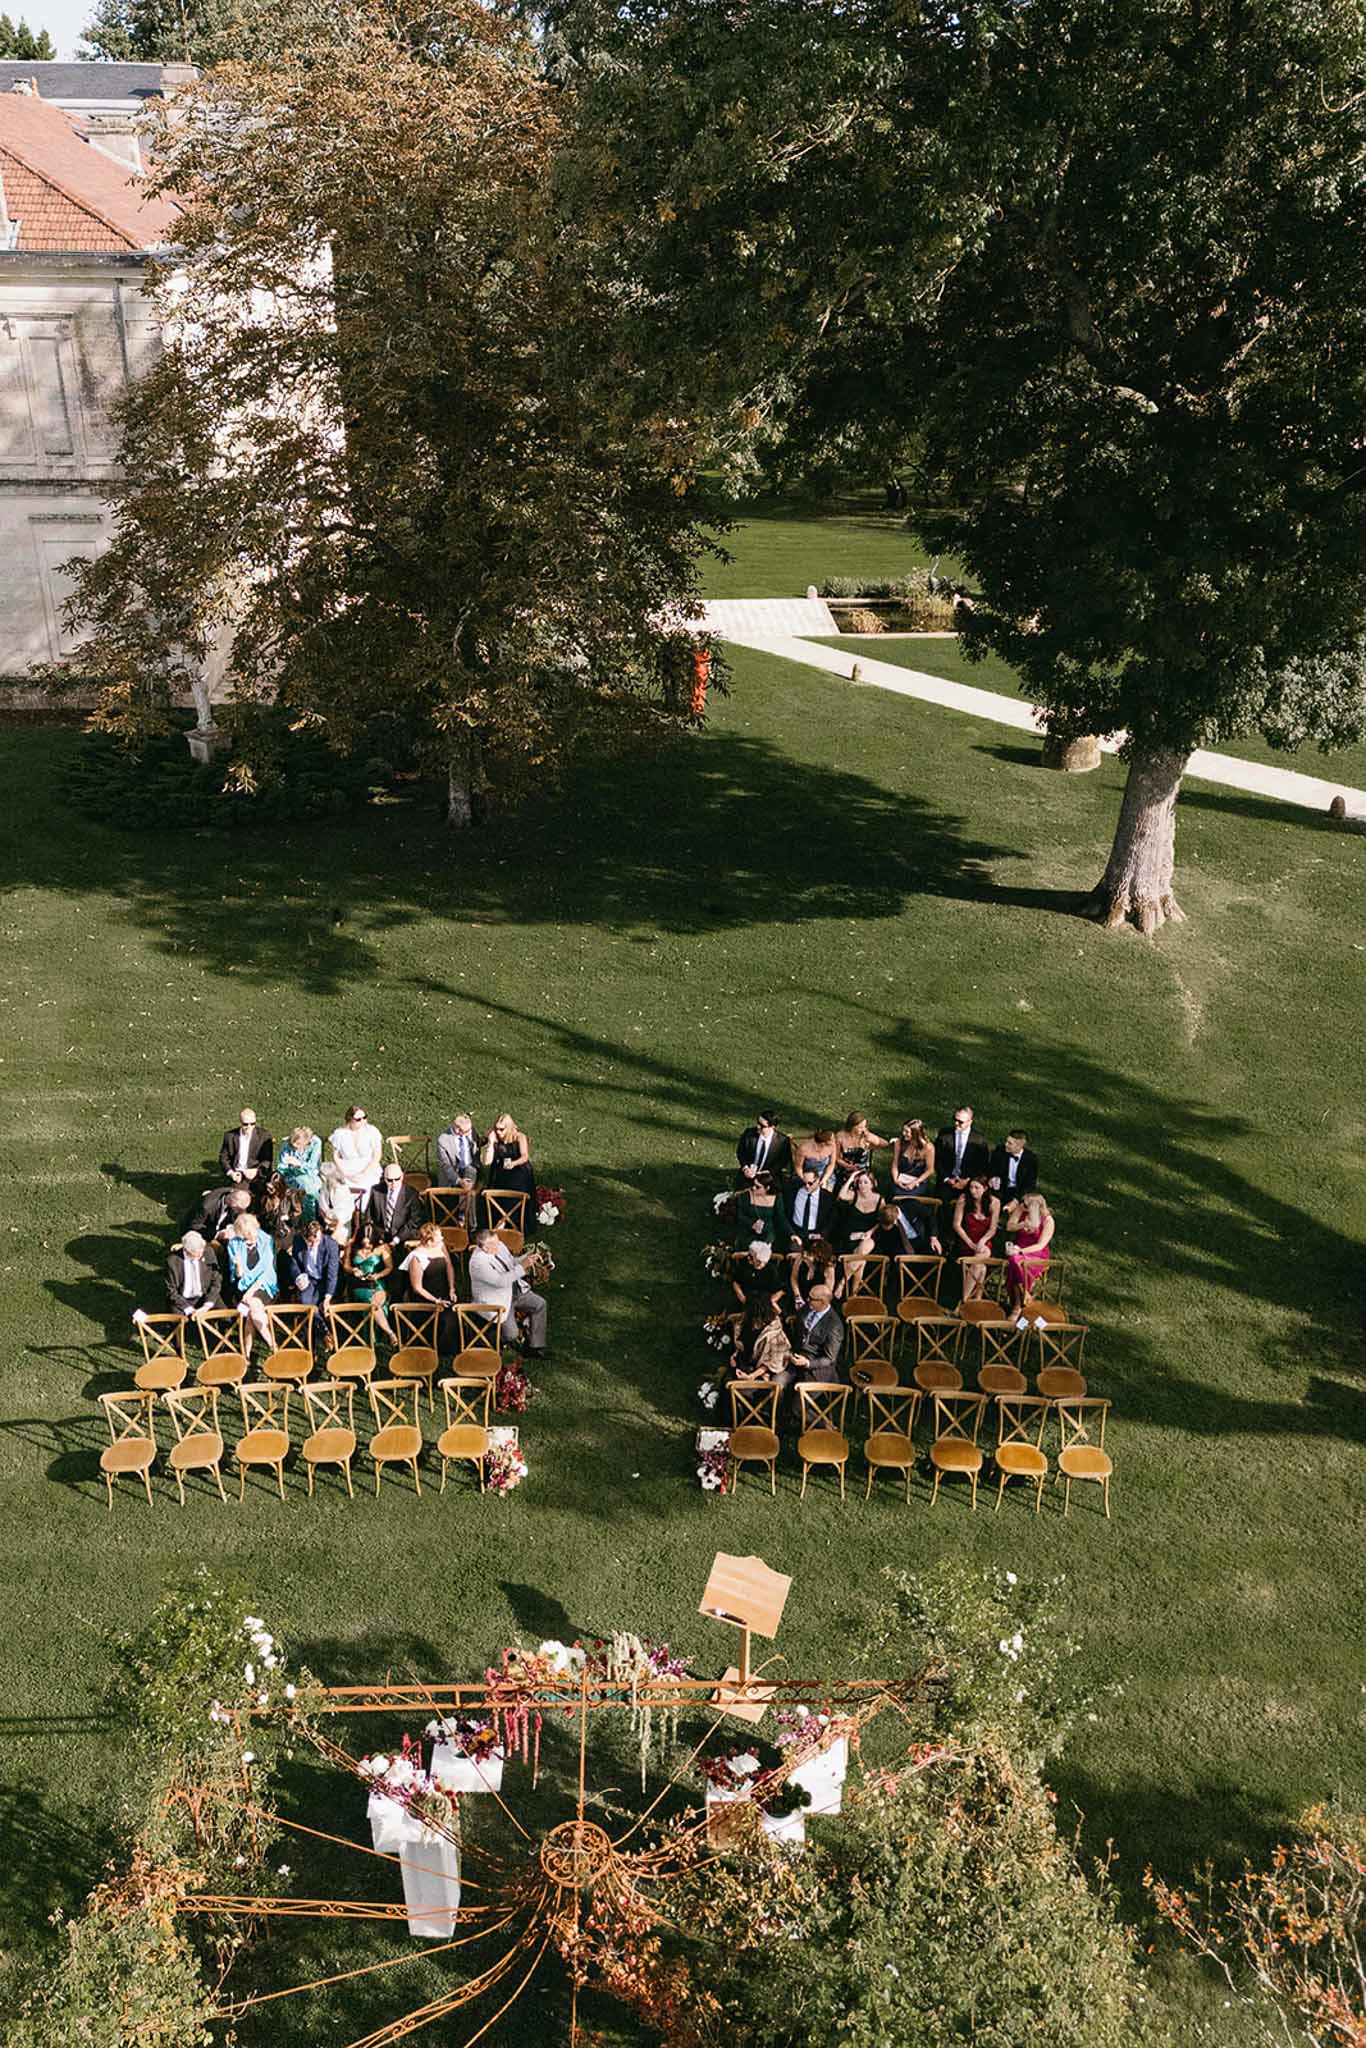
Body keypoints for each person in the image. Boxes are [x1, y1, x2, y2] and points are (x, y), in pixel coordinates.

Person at [468, 1226, 549, 1357]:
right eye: (493, 1244)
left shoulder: (499, 1245)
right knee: (512, 1335)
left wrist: (527, 1258)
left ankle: (536, 1347)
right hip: (498, 1299)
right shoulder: (478, 1262)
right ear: (483, 1247)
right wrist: (523, 1267)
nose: (498, 1245)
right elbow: (500, 1281)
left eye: (497, 1241)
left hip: (514, 1290)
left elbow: (511, 1262)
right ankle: (486, 1340)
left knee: (540, 1304)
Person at [224, 1212, 277, 1346]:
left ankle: (273, 1346)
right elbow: (238, 1276)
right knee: (251, 1316)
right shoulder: (233, 1244)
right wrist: (237, 1266)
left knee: (252, 1305)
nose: (249, 1238)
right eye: (245, 1236)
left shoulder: (266, 1240)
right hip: (243, 1285)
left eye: (251, 1233)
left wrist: (250, 1292)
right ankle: (249, 1353)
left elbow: (266, 1270)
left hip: (263, 1284)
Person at [286, 1216, 341, 1336]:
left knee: (319, 1305)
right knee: (306, 1302)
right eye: (309, 1242)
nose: (311, 1245)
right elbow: (294, 1262)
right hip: (309, 1279)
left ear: (319, 1234)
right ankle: (325, 1332)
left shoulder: (331, 1245)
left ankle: (321, 1332)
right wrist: (298, 1276)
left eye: (314, 1241)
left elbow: (332, 1273)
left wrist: (328, 1297)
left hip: (324, 1281)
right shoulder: (298, 1240)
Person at [345, 1220, 398, 1342]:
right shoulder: (351, 1246)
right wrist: (353, 1270)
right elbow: (346, 1266)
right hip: (359, 1284)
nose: (366, 1245)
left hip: (377, 1282)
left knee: (374, 1304)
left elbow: (389, 1267)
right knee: (370, 1301)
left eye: (369, 1242)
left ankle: (373, 1340)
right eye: (364, 1242)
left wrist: (378, 1275)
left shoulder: (382, 1248)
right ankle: (389, 1333)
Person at [953, 1176, 1001, 1301]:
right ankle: (975, 1299)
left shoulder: (994, 1202)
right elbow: (956, 1225)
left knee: (981, 1255)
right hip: (966, 1240)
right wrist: (969, 1242)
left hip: (984, 1242)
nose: (972, 1191)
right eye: (970, 1187)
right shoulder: (963, 1199)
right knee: (981, 1267)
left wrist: (982, 1241)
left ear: (985, 1188)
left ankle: (963, 1300)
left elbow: (993, 1229)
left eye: (976, 1188)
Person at [1004, 1191, 1055, 1309]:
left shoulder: (1048, 1220)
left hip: (1036, 1252)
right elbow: (1009, 1226)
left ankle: (1017, 1304)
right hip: (1018, 1248)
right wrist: (1021, 1225)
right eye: (1024, 1205)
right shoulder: (1022, 1209)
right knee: (1015, 1260)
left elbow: (1040, 1245)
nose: (1024, 1207)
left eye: (1027, 1206)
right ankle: (1024, 1295)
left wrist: (1021, 1251)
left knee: (1015, 1261)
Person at [788, 1283, 844, 1384]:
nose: (807, 1299)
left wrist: (808, 1363)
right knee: (777, 1385)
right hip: (794, 1359)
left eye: (811, 1298)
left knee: (800, 1397)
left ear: (823, 1302)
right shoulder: (806, 1309)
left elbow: (829, 1358)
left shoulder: (834, 1325)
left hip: (817, 1367)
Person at [327, 1106, 384, 1205]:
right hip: (346, 1170)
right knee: (339, 1189)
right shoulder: (340, 1134)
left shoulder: (372, 1131)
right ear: (350, 1120)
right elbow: (335, 1157)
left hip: (368, 1168)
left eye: (364, 1117)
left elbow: (377, 1155)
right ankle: (346, 1215)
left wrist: (364, 1174)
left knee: (367, 1188)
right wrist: (344, 1173)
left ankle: (364, 1214)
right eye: (358, 1119)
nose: (363, 1121)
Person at [935, 1106, 990, 1204]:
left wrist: (967, 1180)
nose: (956, 1123)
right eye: (955, 1120)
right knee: (943, 1203)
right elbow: (937, 1159)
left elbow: (983, 1165)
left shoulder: (979, 1140)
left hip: (969, 1182)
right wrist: (947, 1179)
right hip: (947, 1180)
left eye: (960, 1122)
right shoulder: (945, 1134)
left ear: (970, 1122)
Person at [364, 1166, 425, 1252]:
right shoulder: (376, 1191)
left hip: (403, 1236)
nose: (394, 1183)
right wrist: (372, 1235)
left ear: (402, 1177)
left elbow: (414, 1221)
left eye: (397, 1179)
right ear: (384, 1178)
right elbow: (369, 1215)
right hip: (381, 1236)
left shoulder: (411, 1194)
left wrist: (397, 1239)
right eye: (389, 1180)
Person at [165, 1231, 223, 1319]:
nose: (201, 1255)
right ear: (186, 1250)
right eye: (197, 1253)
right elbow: (171, 1291)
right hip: (182, 1300)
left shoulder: (208, 1252)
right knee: (182, 1326)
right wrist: (189, 1309)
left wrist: (207, 1305)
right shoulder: (172, 1261)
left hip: (205, 1296)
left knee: (227, 1318)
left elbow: (216, 1280)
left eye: (202, 1251)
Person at [481, 1113, 536, 1204]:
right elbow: (487, 1162)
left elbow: (524, 1156)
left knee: (514, 1185)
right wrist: (490, 1143)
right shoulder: (494, 1137)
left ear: (509, 1127)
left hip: (518, 1168)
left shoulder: (519, 1137)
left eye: (502, 1129)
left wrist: (513, 1163)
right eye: (496, 1129)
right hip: (500, 1170)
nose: (498, 1132)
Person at [731, 1170, 791, 1250]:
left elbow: (781, 1216)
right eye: (754, 1185)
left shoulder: (776, 1197)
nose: (753, 1188)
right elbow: (739, 1214)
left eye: (758, 1187)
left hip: (768, 1232)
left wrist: (791, 1233)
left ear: (767, 1188)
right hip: (748, 1230)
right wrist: (752, 1223)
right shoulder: (746, 1196)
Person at [218, 1109, 273, 1190]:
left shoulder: (264, 1136)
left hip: (257, 1173)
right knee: (240, 1198)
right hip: (239, 1173)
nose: (249, 1127)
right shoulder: (230, 1136)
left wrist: (256, 1170)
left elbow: (267, 1159)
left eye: (252, 1124)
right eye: (245, 1124)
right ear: (240, 1122)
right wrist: (231, 1173)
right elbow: (223, 1158)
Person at [277, 1126, 323, 1222]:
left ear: (307, 1141)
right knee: (308, 1187)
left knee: (314, 1186)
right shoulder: (286, 1145)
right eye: (293, 1143)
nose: (294, 1146)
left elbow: (312, 1165)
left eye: (298, 1144)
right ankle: (310, 1220)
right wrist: (292, 1166)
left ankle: (317, 1214)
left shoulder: (315, 1143)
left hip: (312, 1175)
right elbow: (281, 1167)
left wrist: (299, 1164)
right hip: (292, 1175)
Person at [730, 1240, 787, 1314]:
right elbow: (736, 1281)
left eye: (751, 1256)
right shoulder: (745, 1264)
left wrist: (771, 1301)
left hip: (764, 1299)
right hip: (746, 1296)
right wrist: (740, 1295)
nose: (748, 1258)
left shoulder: (771, 1269)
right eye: (749, 1254)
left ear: (761, 1261)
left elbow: (781, 1289)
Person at [735, 1113, 792, 1186]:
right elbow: (741, 1152)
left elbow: (783, 1161)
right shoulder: (749, 1134)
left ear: (772, 1127)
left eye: (762, 1126)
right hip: (748, 1174)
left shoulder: (782, 1141)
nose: (758, 1127)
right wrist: (745, 1168)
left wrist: (769, 1172)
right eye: (758, 1123)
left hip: (769, 1176)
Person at [834, 1168, 882, 1255]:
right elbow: (841, 1195)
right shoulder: (854, 1194)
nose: (862, 1185)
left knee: (863, 1250)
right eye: (860, 1182)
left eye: (865, 1182)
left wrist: (870, 1232)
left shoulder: (879, 1199)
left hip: (868, 1235)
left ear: (872, 1184)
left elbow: (882, 1220)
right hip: (851, 1234)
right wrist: (851, 1178)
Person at [834, 1111, 888, 1186]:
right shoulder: (840, 1137)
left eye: (864, 1126)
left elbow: (885, 1144)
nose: (863, 1129)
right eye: (860, 1127)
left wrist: (870, 1137)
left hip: (863, 1169)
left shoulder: (865, 1136)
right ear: (852, 1126)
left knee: (868, 1184)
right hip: (845, 1168)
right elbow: (836, 1158)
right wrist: (848, 1166)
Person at [988, 1130, 1039, 1209]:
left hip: (1019, 1191)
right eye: (1007, 1141)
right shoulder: (999, 1151)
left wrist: (1016, 1201)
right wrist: (992, 1178)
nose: (1006, 1144)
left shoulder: (1030, 1159)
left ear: (1019, 1146)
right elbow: (991, 1169)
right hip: (1002, 1188)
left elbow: (1030, 1184)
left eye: (1010, 1143)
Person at [786, 1166, 835, 1247]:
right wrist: (791, 1232)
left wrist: (822, 1234)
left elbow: (831, 1218)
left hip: (816, 1234)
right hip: (796, 1231)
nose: (807, 1186)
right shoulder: (793, 1191)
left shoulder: (827, 1197)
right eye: (804, 1183)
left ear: (818, 1180)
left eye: (810, 1183)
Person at [890, 1119, 935, 1205]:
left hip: (918, 1180)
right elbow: (895, 1164)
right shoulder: (899, 1143)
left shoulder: (928, 1147)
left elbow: (930, 1170)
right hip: (901, 1177)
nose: (903, 1134)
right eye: (903, 1130)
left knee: (910, 1198)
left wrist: (915, 1182)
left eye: (907, 1132)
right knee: (896, 1192)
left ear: (916, 1133)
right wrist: (896, 1180)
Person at [189, 1183, 254, 1242]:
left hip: (223, 1228)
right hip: (205, 1229)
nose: (241, 1212)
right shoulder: (207, 1207)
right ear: (233, 1204)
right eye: (238, 1209)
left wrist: (232, 1228)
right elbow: (195, 1225)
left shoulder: (235, 1194)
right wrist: (217, 1234)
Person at [790, 1235, 837, 1313]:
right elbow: (793, 1278)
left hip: (818, 1300)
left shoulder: (828, 1268)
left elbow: (827, 1293)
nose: (805, 1256)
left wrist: (812, 1303)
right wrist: (798, 1297)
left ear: (819, 1258)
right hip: (800, 1294)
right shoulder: (800, 1259)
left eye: (810, 1255)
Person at [434, 1112, 482, 1187]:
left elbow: (478, 1144)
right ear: (457, 1129)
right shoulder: (443, 1140)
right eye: (466, 1131)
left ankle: (467, 1196)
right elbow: (445, 1165)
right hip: (451, 1174)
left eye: (470, 1130)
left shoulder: (471, 1131)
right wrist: (458, 1180)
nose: (469, 1133)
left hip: (469, 1168)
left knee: (467, 1189)